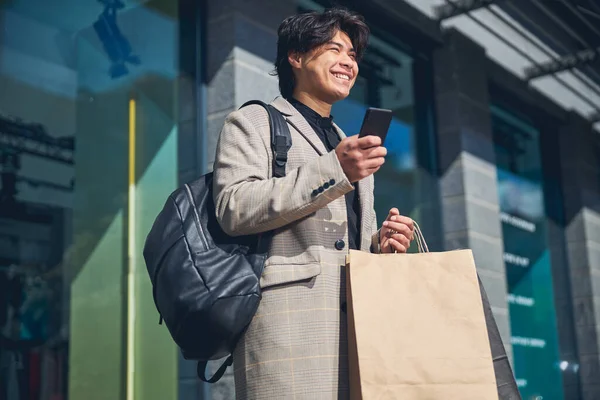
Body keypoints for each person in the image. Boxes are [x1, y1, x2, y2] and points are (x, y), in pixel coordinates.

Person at [213, 7, 415, 399]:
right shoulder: (253, 122)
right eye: (334, 50)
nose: (347, 62)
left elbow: (351, 241)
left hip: (357, 334)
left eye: (353, 55)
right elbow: (233, 207)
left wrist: (380, 245)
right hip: (288, 330)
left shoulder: (346, 140)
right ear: (297, 57)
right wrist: (335, 170)